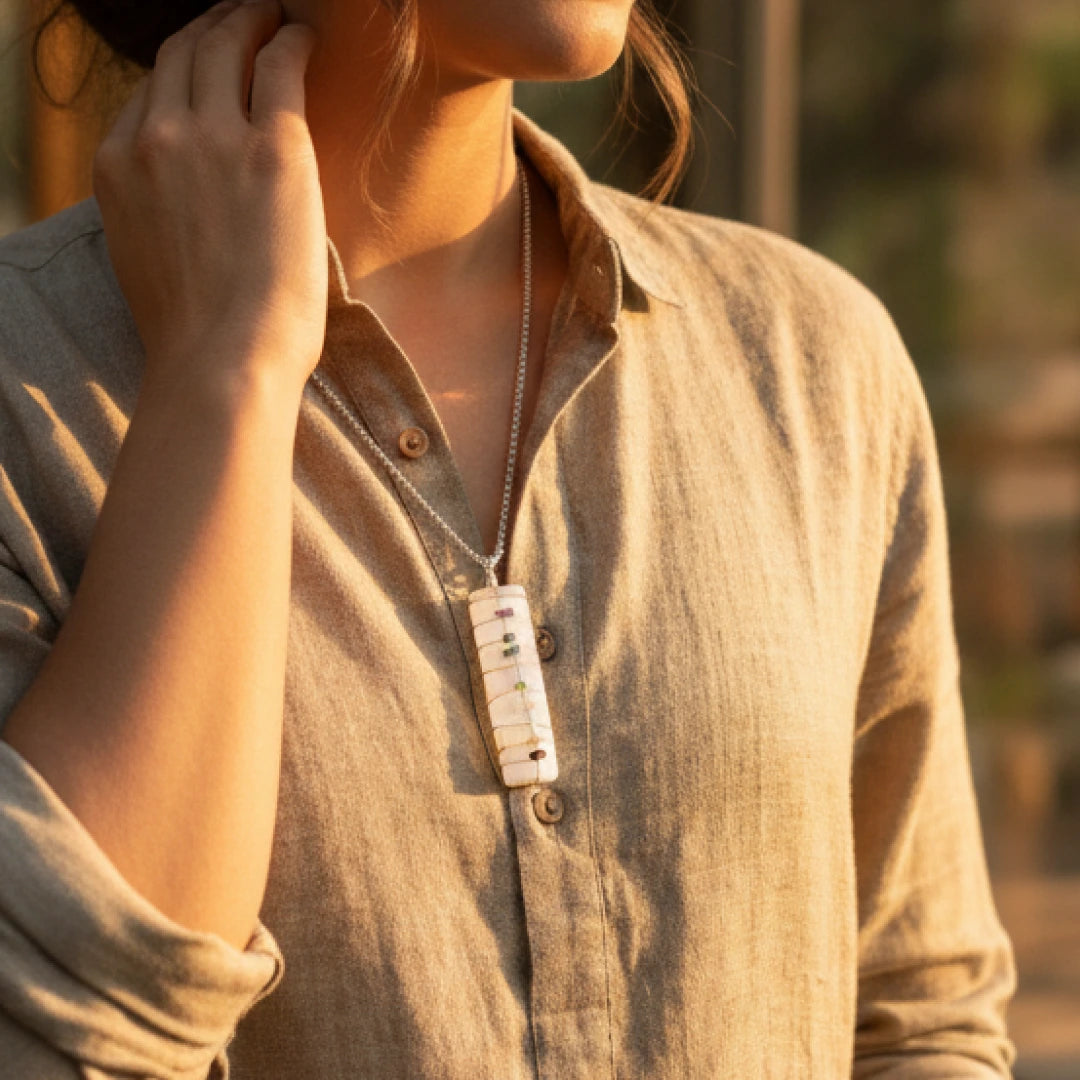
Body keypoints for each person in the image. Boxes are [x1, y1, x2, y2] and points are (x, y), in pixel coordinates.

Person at [0, 0, 1017, 1076]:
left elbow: (919, 1017)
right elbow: (66, 1031)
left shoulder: (811, 363)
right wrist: (224, 370)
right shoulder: (30, 396)